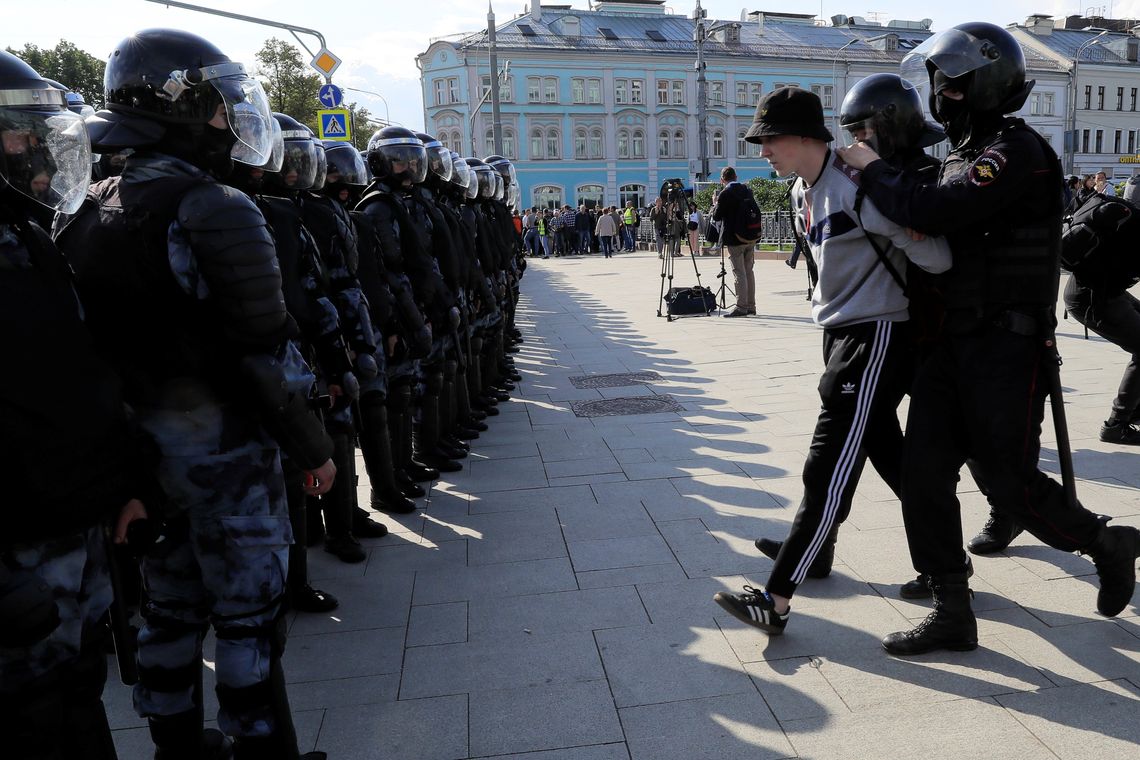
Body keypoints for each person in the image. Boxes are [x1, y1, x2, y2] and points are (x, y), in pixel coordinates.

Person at [57, 29, 333, 758]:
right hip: (226, 452)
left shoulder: (89, 202)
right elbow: (264, 349)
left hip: (145, 457)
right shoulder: (214, 207)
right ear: (175, 104)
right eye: (218, 105)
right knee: (247, 619)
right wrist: (314, 446)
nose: (228, 118)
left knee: (169, 613)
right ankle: (261, 748)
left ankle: (178, 749)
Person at [837, 22, 1140, 655]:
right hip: (952, 344)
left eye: (949, 84)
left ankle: (1105, 541)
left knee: (1009, 486)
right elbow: (925, 200)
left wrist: (868, 169)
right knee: (923, 478)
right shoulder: (960, 151)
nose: (939, 94)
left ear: (981, 85)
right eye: (937, 83)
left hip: (1007, 347)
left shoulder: (1014, 152)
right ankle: (953, 604)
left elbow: (933, 210)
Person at [712, 86, 952, 637]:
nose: (763, 151)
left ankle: (777, 598)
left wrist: (912, 232)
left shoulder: (855, 187)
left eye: (770, 140)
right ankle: (944, 562)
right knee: (891, 459)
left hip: (876, 338)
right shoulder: (804, 189)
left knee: (828, 467)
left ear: (805, 138)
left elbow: (937, 257)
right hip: (841, 335)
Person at [0, 49, 156, 760]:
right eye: (16, 129)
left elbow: (78, 375)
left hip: (74, 522)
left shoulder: (28, 235)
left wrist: (119, 485)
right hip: (17, 551)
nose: (34, 146)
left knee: (78, 688)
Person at [1062, 175, 1140, 444]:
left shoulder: (1119, 212)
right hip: (1092, 299)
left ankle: (1135, 409)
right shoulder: (1128, 223)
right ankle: (1116, 424)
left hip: (1101, 293)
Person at [711, 166, 759, 317]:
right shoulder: (747, 190)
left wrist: (715, 203)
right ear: (736, 177)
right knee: (749, 271)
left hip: (735, 238)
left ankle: (741, 306)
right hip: (751, 236)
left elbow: (717, 217)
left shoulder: (725, 194)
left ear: (722, 180)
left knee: (739, 272)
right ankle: (751, 306)